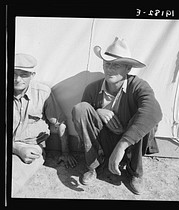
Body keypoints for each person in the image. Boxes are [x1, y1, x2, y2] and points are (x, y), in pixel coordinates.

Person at [72, 37, 162, 195]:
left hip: (129, 146)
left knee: (146, 119)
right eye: (106, 64)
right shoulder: (92, 89)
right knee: (80, 108)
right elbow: (83, 117)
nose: (109, 69)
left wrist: (122, 145)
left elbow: (153, 111)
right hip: (103, 141)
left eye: (116, 65)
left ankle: (134, 172)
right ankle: (93, 166)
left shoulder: (138, 86)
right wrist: (98, 110)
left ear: (128, 69)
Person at [12, 53, 77, 195]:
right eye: (13, 73)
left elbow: (60, 122)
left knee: (11, 181)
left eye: (23, 75)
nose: (17, 79)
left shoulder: (43, 93)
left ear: (32, 75)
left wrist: (65, 152)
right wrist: (15, 148)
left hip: (30, 146)